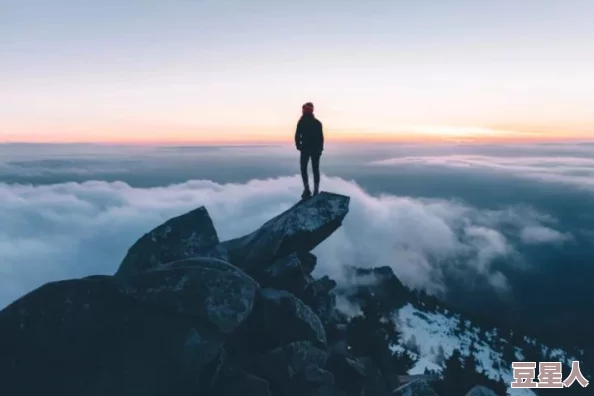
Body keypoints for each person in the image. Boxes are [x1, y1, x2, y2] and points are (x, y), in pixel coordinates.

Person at [294, 102, 324, 199]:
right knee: (315, 169)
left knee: (304, 169)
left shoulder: (302, 122)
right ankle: (316, 190)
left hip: (305, 149)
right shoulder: (317, 123)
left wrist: (299, 146)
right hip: (316, 150)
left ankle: (307, 190)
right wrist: (320, 149)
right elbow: (321, 138)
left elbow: (297, 135)